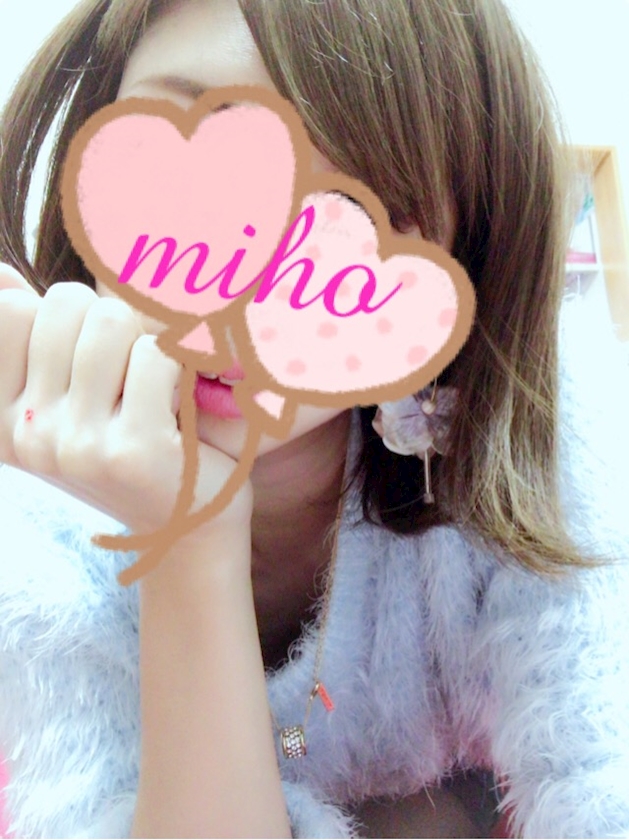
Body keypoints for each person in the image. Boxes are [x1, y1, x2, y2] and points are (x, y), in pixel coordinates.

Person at [1, 0, 629, 837]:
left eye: (354, 206)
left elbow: (602, 776)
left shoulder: (537, 416)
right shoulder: (37, 530)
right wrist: (187, 539)